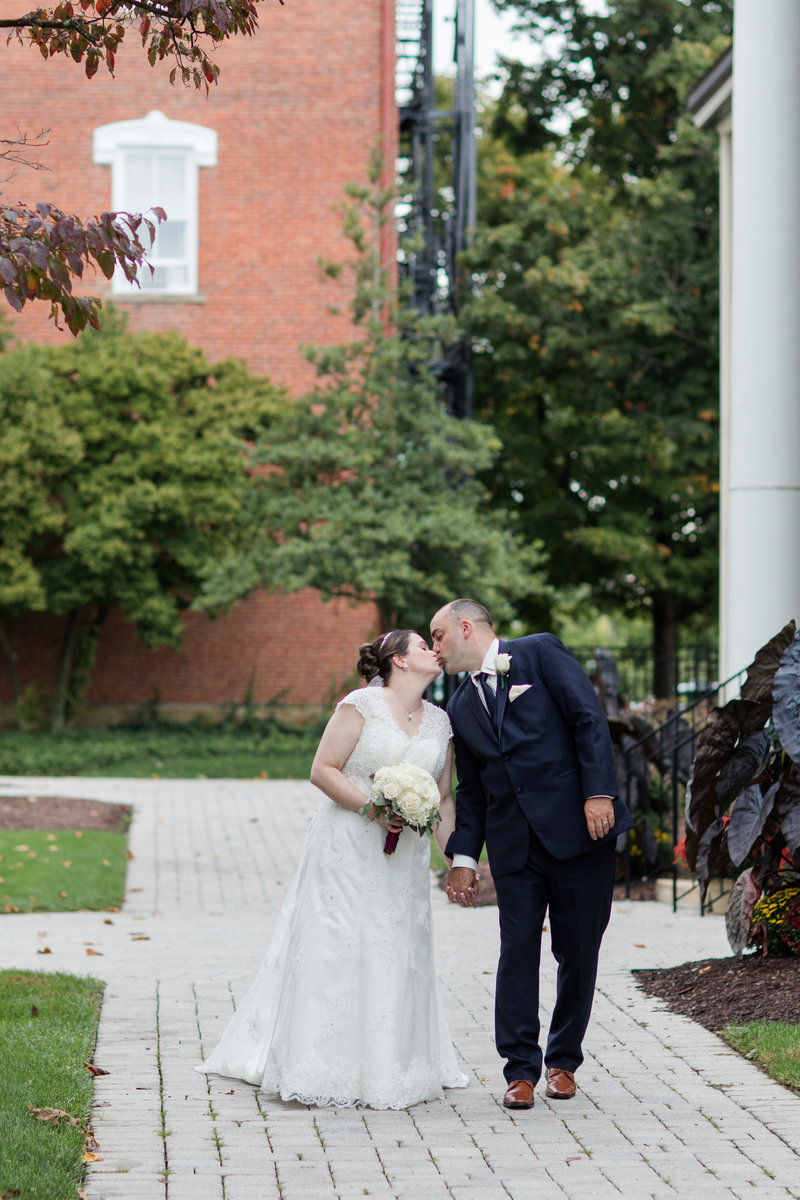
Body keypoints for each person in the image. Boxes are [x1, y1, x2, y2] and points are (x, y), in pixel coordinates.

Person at [197, 629, 467, 1109]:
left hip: (403, 858)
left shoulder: (441, 723)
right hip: (347, 844)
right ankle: (320, 1065)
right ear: (400, 661)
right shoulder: (361, 705)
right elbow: (323, 769)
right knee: (338, 942)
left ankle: (392, 1063)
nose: (435, 650)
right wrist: (372, 809)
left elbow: (442, 798)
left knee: (396, 947)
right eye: (424, 645)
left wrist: (457, 859)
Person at [430, 599, 632, 1110]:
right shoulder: (457, 707)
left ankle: (563, 1062)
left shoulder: (539, 653)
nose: (434, 648)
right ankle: (519, 1070)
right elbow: (471, 793)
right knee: (516, 952)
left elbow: (588, 719)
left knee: (578, 950)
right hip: (514, 847)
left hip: (581, 832)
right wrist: (463, 859)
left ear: (466, 627)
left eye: (437, 636)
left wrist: (599, 794)